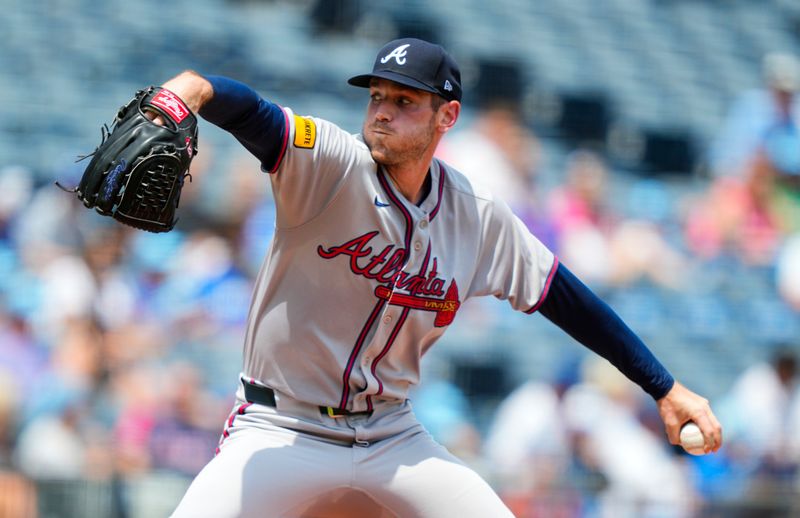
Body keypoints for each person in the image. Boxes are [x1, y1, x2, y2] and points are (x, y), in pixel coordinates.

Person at [151, 38, 722, 517]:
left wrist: (665, 388)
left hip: (390, 435)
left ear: (446, 116)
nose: (381, 111)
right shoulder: (329, 163)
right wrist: (196, 90)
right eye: (376, 97)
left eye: (404, 101)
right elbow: (254, 114)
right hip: (281, 425)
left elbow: (571, 303)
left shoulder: (477, 215)